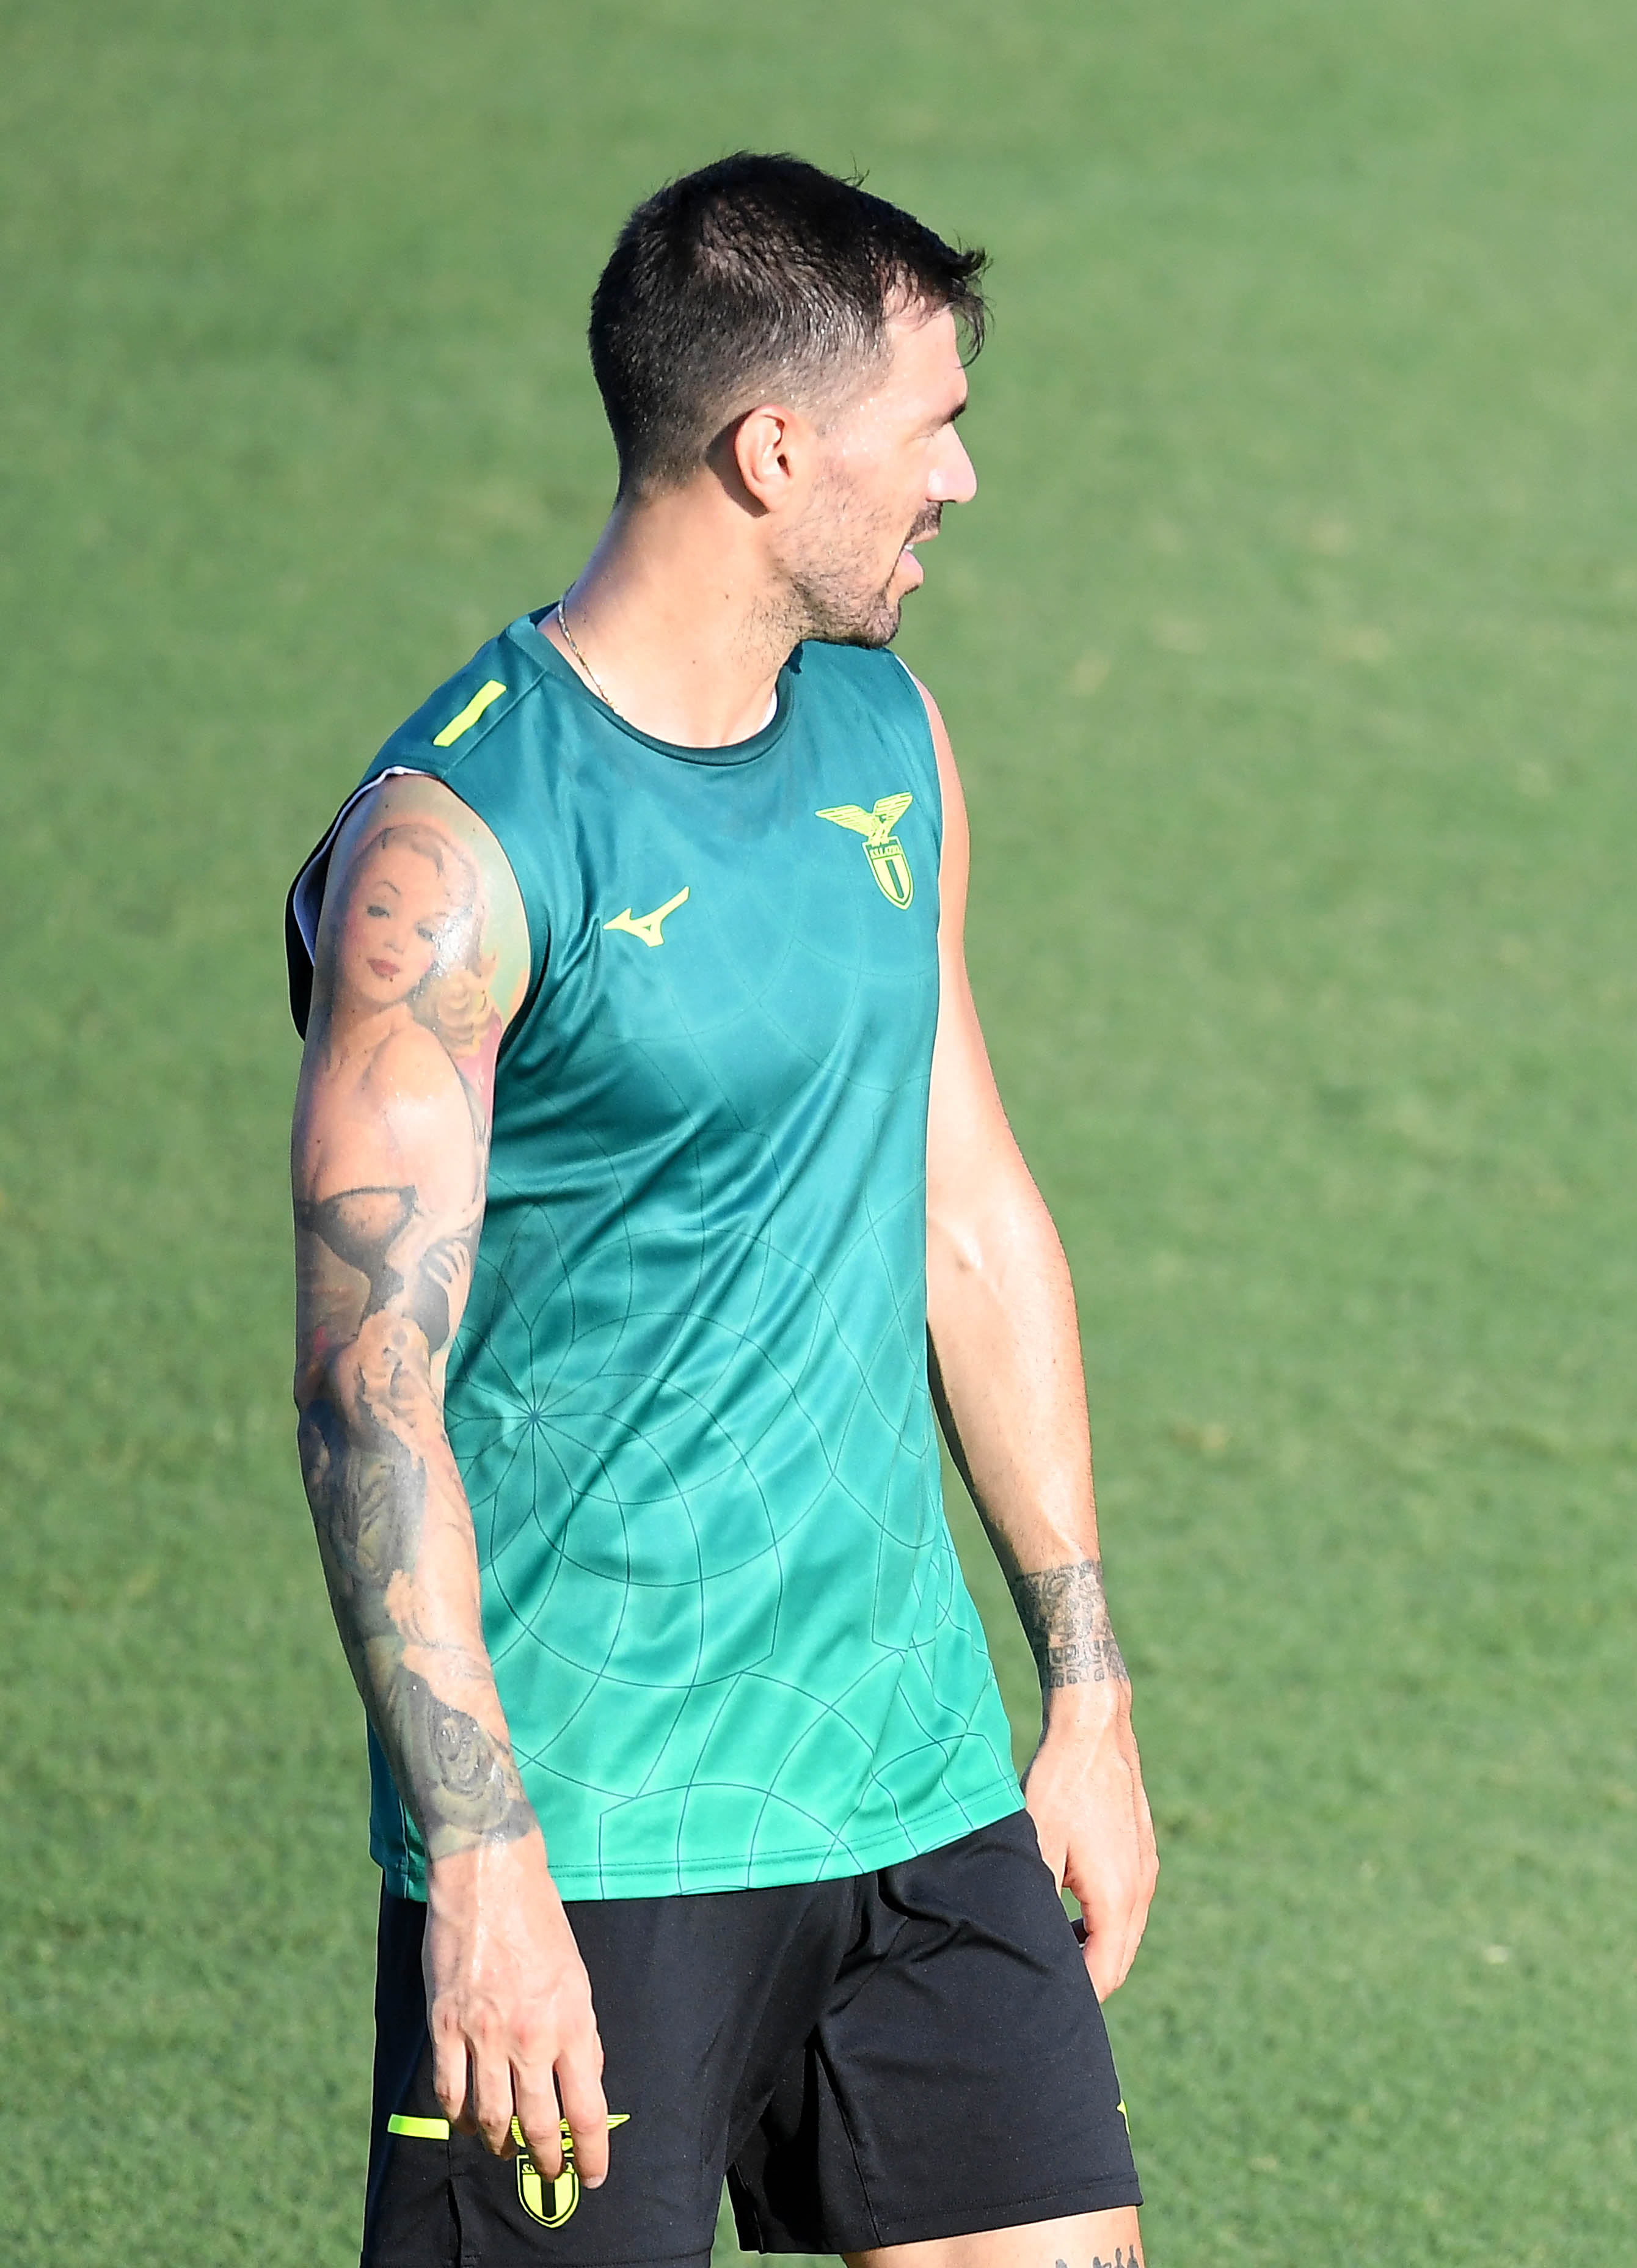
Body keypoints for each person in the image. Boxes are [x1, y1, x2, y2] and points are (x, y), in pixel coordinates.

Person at [286, 153, 1153, 2268]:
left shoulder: (887, 733)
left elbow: (970, 1212)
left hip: (911, 1780)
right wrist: (483, 1862)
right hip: (600, 1826)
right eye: (930, 423)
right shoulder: (461, 845)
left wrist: (1087, 1689)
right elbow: (367, 1382)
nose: (958, 478)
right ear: (774, 451)